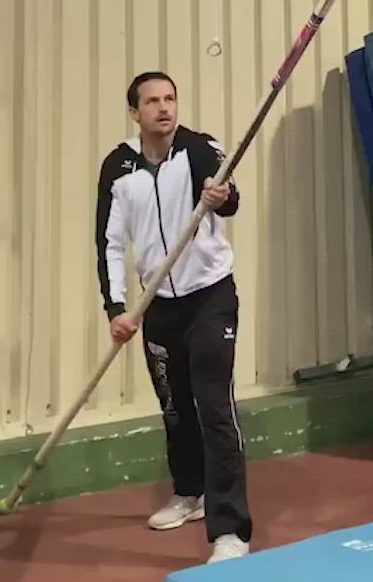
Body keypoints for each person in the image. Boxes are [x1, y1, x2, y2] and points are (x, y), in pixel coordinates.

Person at [95, 70, 252, 565]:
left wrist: (221, 198)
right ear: (135, 112)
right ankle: (189, 492)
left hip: (210, 298)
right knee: (175, 408)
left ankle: (230, 531)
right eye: (152, 101)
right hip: (157, 304)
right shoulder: (118, 168)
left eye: (170, 99)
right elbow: (109, 243)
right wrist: (117, 309)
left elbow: (231, 200)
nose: (164, 108)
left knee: (214, 407)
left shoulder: (200, 148)